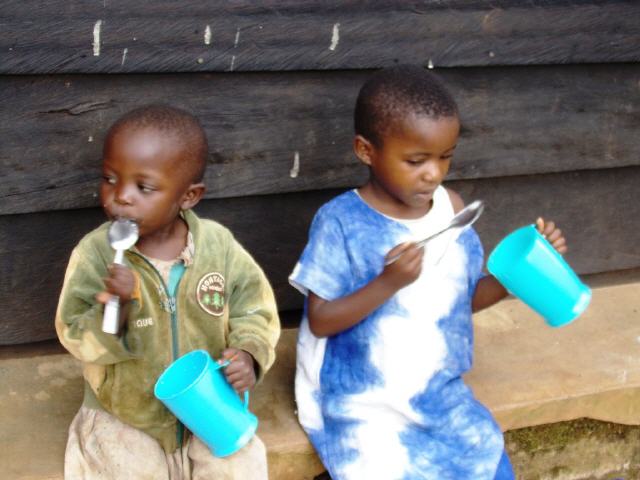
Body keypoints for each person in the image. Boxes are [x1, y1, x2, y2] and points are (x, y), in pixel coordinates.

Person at [289, 65, 567, 479]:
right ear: (366, 151)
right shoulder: (341, 222)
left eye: (445, 157)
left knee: (483, 457)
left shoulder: (450, 210)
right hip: (363, 399)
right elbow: (322, 320)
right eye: (416, 161)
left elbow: (460, 302)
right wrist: (389, 283)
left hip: (434, 390)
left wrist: (521, 273)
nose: (434, 173)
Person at [55, 104, 280, 479]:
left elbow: (254, 309)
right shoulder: (96, 254)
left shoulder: (218, 247)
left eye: (143, 187)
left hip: (206, 403)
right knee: (123, 466)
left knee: (242, 461)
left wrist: (249, 353)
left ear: (188, 196)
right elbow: (74, 334)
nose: (121, 196)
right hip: (125, 410)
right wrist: (114, 311)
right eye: (110, 179)